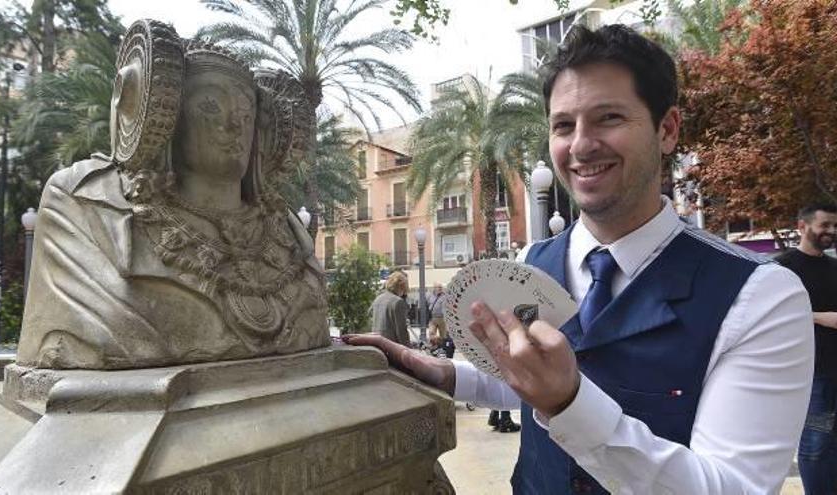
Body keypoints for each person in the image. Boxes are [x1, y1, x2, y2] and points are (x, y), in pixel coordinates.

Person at [344, 24, 813, 494]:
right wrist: (446, 375)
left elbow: (735, 488)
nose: (582, 145)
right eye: (563, 125)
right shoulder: (532, 261)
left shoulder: (759, 296)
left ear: (667, 129)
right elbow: (527, 383)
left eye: (608, 117)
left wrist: (571, 405)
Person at [18, 21, 329, 369]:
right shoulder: (86, 201)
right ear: (162, 117)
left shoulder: (286, 230)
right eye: (210, 107)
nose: (234, 125)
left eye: (246, 113)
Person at [775, 203, 837, 494]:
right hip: (811, 372)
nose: (831, 232)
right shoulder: (781, 269)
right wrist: (819, 317)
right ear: (802, 226)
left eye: (835, 226)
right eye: (825, 225)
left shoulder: (834, 267)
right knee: (815, 445)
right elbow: (773, 316)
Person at [370, 272, 410, 346]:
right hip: (391, 346)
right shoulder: (398, 302)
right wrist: (408, 348)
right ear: (401, 286)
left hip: (377, 344)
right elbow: (401, 331)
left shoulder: (378, 299)